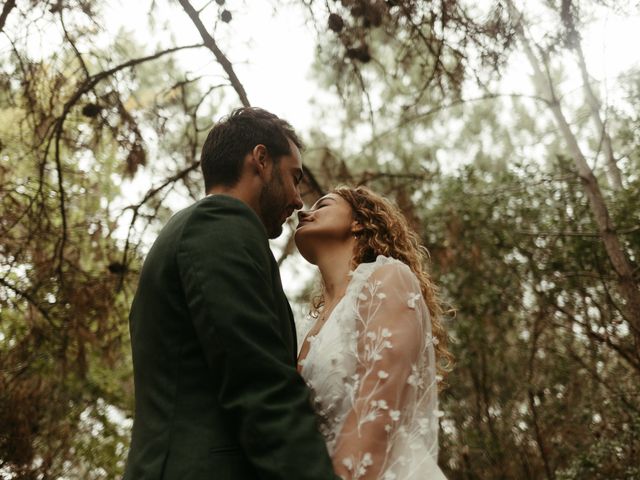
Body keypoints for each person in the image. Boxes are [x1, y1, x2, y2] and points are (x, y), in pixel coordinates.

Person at [124, 107, 339, 479]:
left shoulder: (200, 230)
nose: (298, 200)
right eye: (294, 178)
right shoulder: (219, 224)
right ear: (261, 160)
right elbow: (260, 383)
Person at [294, 186, 452, 480]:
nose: (304, 212)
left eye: (322, 205)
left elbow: (379, 406)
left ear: (359, 221)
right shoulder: (307, 328)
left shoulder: (388, 278)